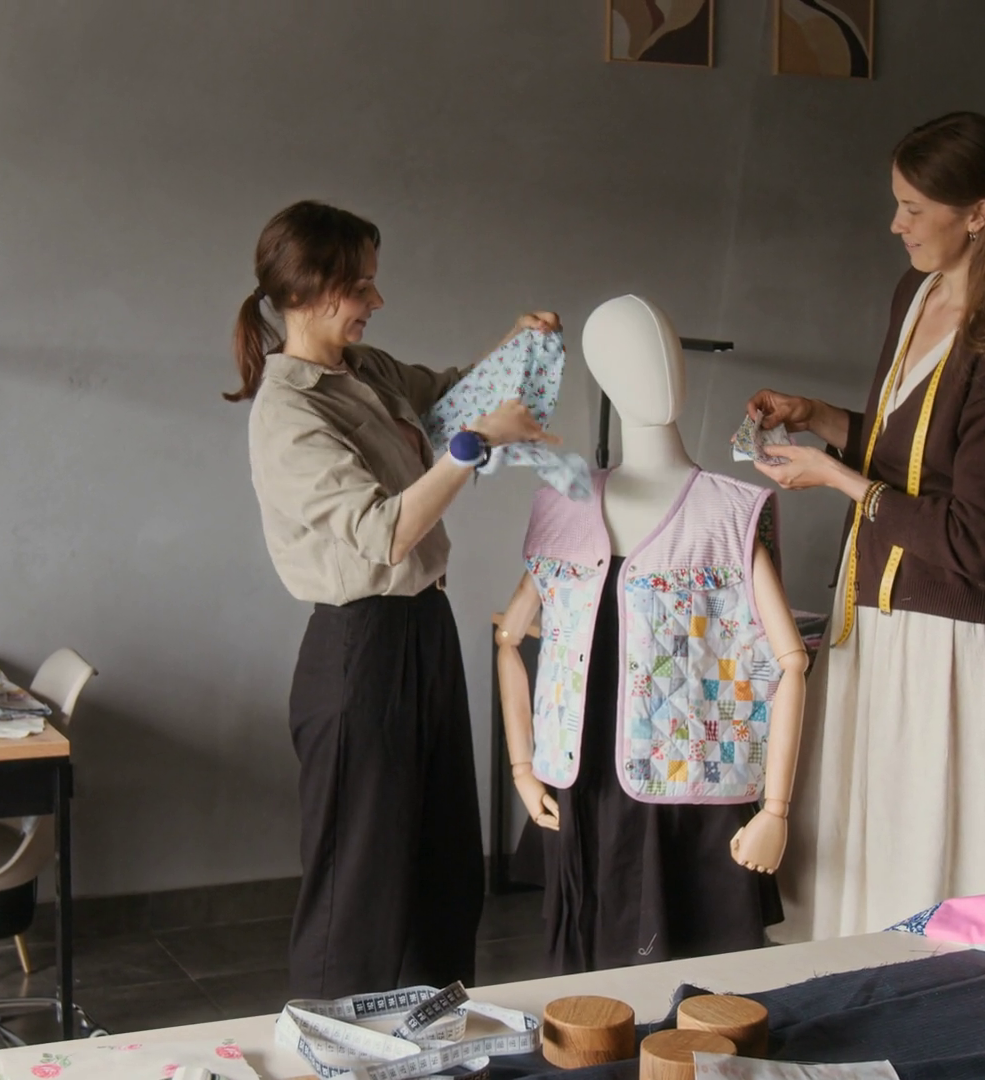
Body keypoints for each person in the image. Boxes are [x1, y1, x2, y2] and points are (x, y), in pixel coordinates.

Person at [745, 112, 985, 939]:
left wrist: (836, 480)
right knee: (867, 850)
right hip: (881, 619)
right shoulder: (918, 293)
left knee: (933, 861)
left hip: (954, 643)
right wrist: (818, 417)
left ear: (980, 214)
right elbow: (916, 455)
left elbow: (975, 541)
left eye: (914, 207)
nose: (896, 224)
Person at [231, 200, 558, 997]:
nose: (377, 301)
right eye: (361, 287)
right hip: (359, 650)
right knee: (359, 885)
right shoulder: (290, 410)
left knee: (444, 866)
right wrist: (474, 448)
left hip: (423, 629)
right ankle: (334, 1042)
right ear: (306, 292)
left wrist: (515, 344)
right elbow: (384, 533)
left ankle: (437, 1031)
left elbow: (450, 399)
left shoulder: (367, 371)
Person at [495, 295, 807, 974]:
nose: (662, 371)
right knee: (590, 988)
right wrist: (523, 769)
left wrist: (776, 809)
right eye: (638, 357)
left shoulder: (727, 512)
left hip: (697, 794)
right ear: (605, 374)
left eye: (668, 351)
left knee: (702, 984)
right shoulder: (565, 505)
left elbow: (791, 663)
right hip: (584, 787)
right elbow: (510, 638)